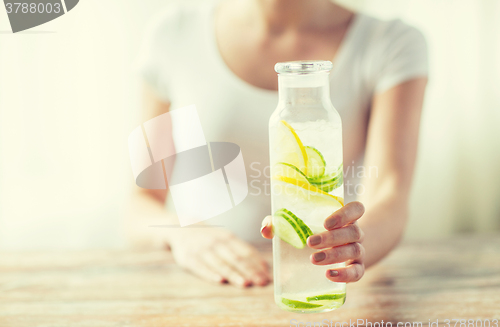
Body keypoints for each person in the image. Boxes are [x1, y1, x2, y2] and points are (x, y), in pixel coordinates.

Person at [129, 0, 428, 287]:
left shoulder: (390, 42)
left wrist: (353, 245)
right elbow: (140, 204)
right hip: (204, 282)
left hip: (320, 278)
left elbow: (389, 195)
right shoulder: (174, 32)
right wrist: (183, 234)